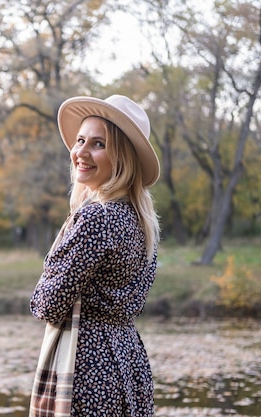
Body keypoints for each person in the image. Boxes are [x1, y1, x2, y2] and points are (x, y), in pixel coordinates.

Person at [29, 95, 160, 417]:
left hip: (88, 363)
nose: (81, 153)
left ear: (122, 158)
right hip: (128, 359)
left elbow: (48, 305)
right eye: (80, 140)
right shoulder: (141, 222)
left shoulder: (95, 218)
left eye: (98, 144)